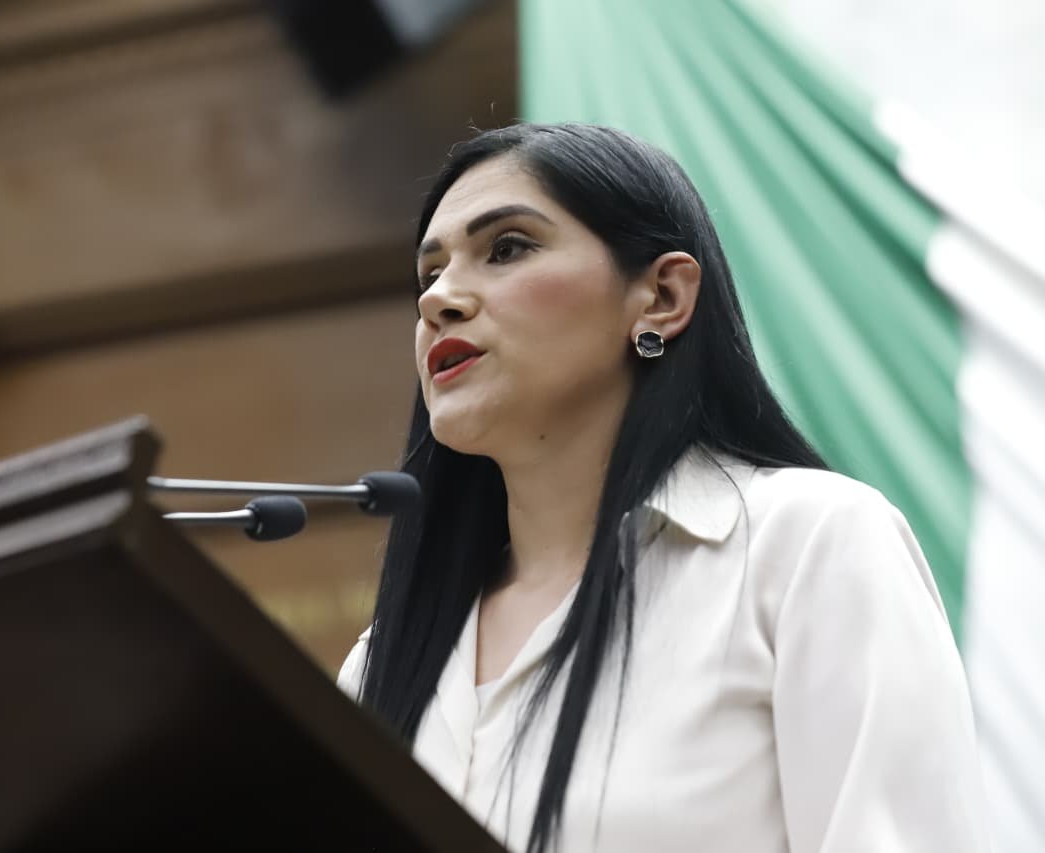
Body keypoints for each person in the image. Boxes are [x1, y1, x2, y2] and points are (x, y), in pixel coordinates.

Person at [336, 123, 987, 853]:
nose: (440, 300)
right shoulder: (377, 665)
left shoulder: (808, 546)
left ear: (663, 296)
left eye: (507, 248)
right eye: (428, 275)